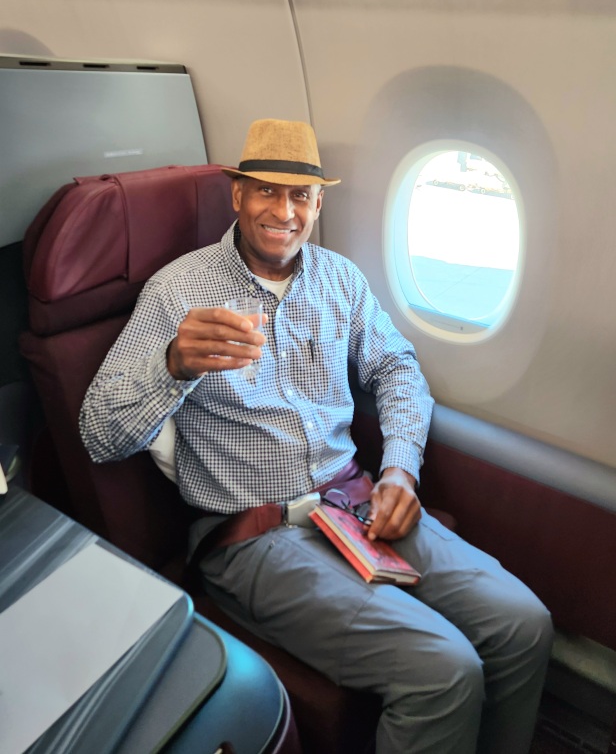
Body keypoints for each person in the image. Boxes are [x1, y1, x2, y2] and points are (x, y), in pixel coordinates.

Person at [80, 118, 553, 754]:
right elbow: (98, 434)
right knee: (444, 669)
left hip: (355, 503)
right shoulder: (178, 291)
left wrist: (400, 470)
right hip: (253, 535)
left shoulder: (341, 280)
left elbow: (397, 369)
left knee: (525, 624)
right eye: (266, 192)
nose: (284, 212)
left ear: (318, 205)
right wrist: (174, 365)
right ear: (237, 195)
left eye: (300, 196)